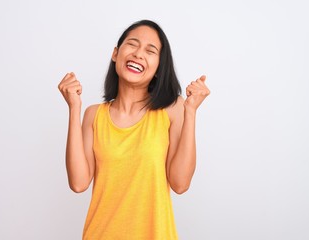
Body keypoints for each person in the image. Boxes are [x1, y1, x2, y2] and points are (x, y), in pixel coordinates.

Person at [58, 19, 210, 240]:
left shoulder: (172, 110)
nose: (139, 54)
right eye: (132, 44)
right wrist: (74, 108)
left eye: (150, 50)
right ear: (115, 54)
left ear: (159, 68)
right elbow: (79, 183)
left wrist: (191, 112)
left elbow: (180, 183)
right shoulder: (93, 115)